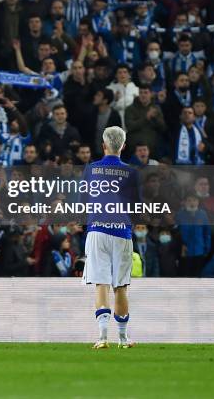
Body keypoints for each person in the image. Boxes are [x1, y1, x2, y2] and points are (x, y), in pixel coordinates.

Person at [82, 126, 139, 349]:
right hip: (122, 231)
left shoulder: (91, 169)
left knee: (101, 283)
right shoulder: (131, 173)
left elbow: (83, 201)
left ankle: (103, 337)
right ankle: (123, 339)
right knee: (121, 285)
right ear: (123, 146)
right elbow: (136, 206)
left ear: (103, 145)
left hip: (97, 229)